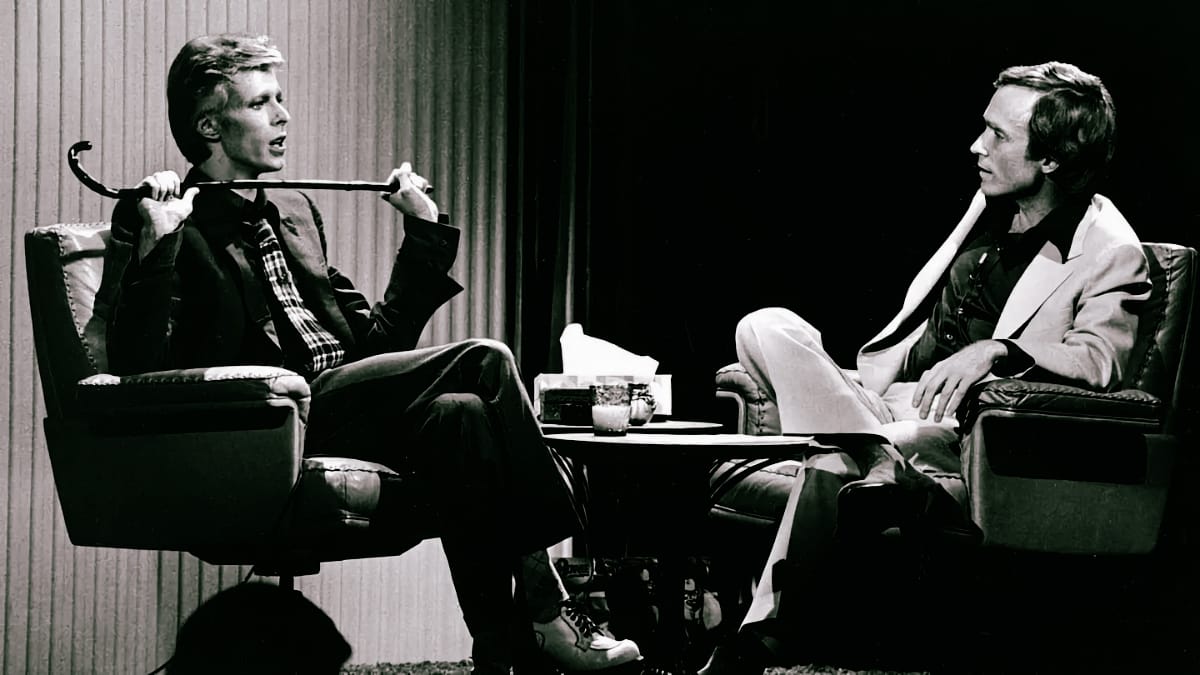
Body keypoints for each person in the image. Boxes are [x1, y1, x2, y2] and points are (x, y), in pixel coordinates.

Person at [98, 33, 640, 674]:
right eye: (261, 103)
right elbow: (137, 369)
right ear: (209, 126)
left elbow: (378, 347)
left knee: (462, 414)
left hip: (346, 401)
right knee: (486, 358)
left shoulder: (295, 211)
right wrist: (159, 244)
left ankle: (503, 650)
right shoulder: (160, 218)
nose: (283, 116)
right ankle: (549, 603)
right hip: (274, 423)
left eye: (281, 98)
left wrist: (423, 232)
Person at [701, 61, 1151, 674]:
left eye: (998, 135)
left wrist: (1000, 350)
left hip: (965, 430)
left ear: (1051, 158)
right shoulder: (989, 208)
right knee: (764, 324)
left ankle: (763, 636)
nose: (976, 146)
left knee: (832, 459)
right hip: (886, 402)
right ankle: (872, 453)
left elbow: (1102, 362)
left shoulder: (1109, 249)